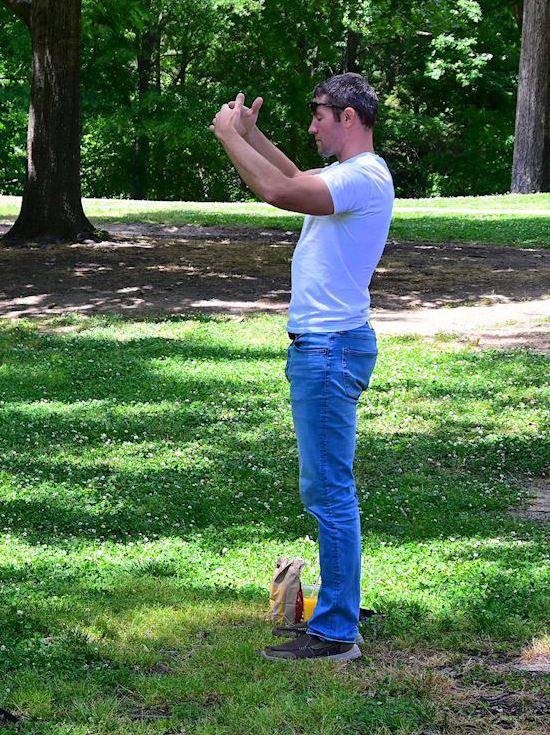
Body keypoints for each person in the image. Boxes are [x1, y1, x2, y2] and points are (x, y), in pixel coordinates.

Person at [210, 73, 393, 662]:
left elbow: (279, 192)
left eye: (318, 114)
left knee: (329, 491)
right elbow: (291, 177)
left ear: (348, 116)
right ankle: (340, 606)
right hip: (326, 346)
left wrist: (228, 137)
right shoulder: (353, 175)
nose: (311, 126)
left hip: (329, 349)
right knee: (328, 488)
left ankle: (336, 631)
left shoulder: (363, 176)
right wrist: (251, 135)